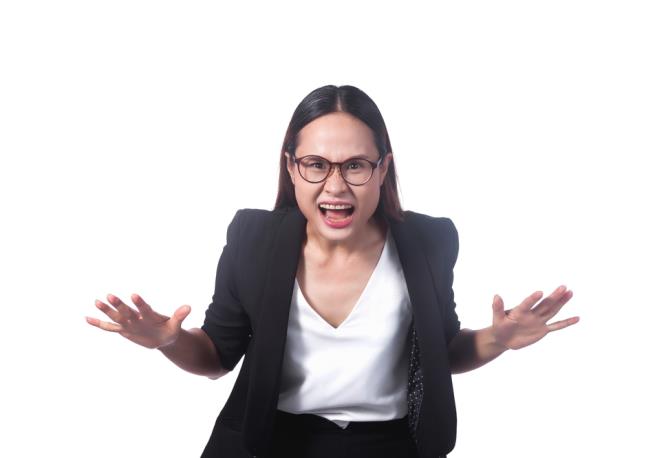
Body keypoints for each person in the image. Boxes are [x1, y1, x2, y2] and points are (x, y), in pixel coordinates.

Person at [85, 84, 579, 458]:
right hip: (271, 440)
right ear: (291, 167)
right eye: (316, 164)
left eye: (356, 165)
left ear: (382, 169)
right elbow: (216, 357)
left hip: (389, 444)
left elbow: (441, 352)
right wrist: (169, 340)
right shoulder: (253, 239)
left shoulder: (428, 241)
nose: (336, 186)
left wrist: (498, 339)